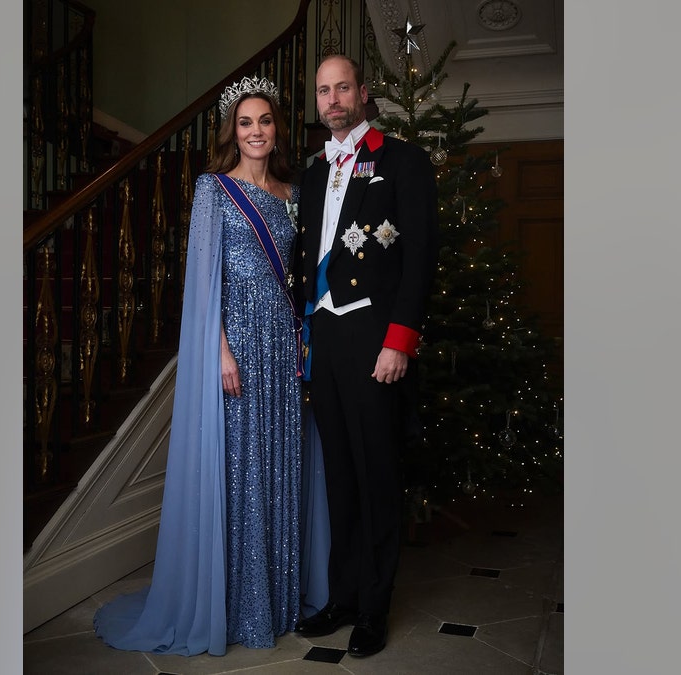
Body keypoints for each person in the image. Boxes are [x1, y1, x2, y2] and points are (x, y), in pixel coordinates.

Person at [93, 76, 329, 656]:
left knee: (281, 464)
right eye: (245, 123)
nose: (256, 132)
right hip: (237, 346)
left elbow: (303, 276)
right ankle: (236, 604)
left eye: (265, 122)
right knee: (241, 466)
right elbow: (204, 281)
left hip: (281, 345)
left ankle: (275, 598)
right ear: (234, 132)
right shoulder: (213, 191)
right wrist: (219, 349)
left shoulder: (293, 194)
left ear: (277, 131)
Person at [292, 55, 439, 657]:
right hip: (325, 337)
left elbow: (420, 256)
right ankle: (345, 595)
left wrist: (399, 340)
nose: (332, 99)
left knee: (377, 475)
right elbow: (307, 259)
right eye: (323, 91)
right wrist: (305, 334)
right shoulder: (309, 173)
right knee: (340, 476)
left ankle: (375, 608)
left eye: (342, 87)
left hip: (376, 340)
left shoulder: (402, 160)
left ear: (363, 92)